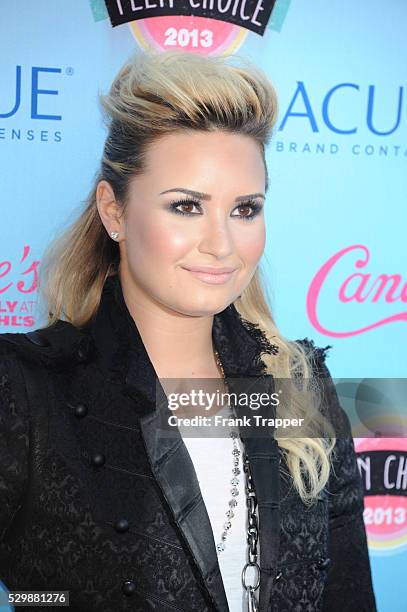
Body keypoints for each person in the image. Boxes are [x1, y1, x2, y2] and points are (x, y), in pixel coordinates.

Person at [0, 50, 376, 612]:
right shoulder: (25, 390)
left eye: (245, 209)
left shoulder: (303, 383)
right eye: (186, 207)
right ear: (115, 212)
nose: (222, 244)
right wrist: (54, 602)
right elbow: (33, 595)